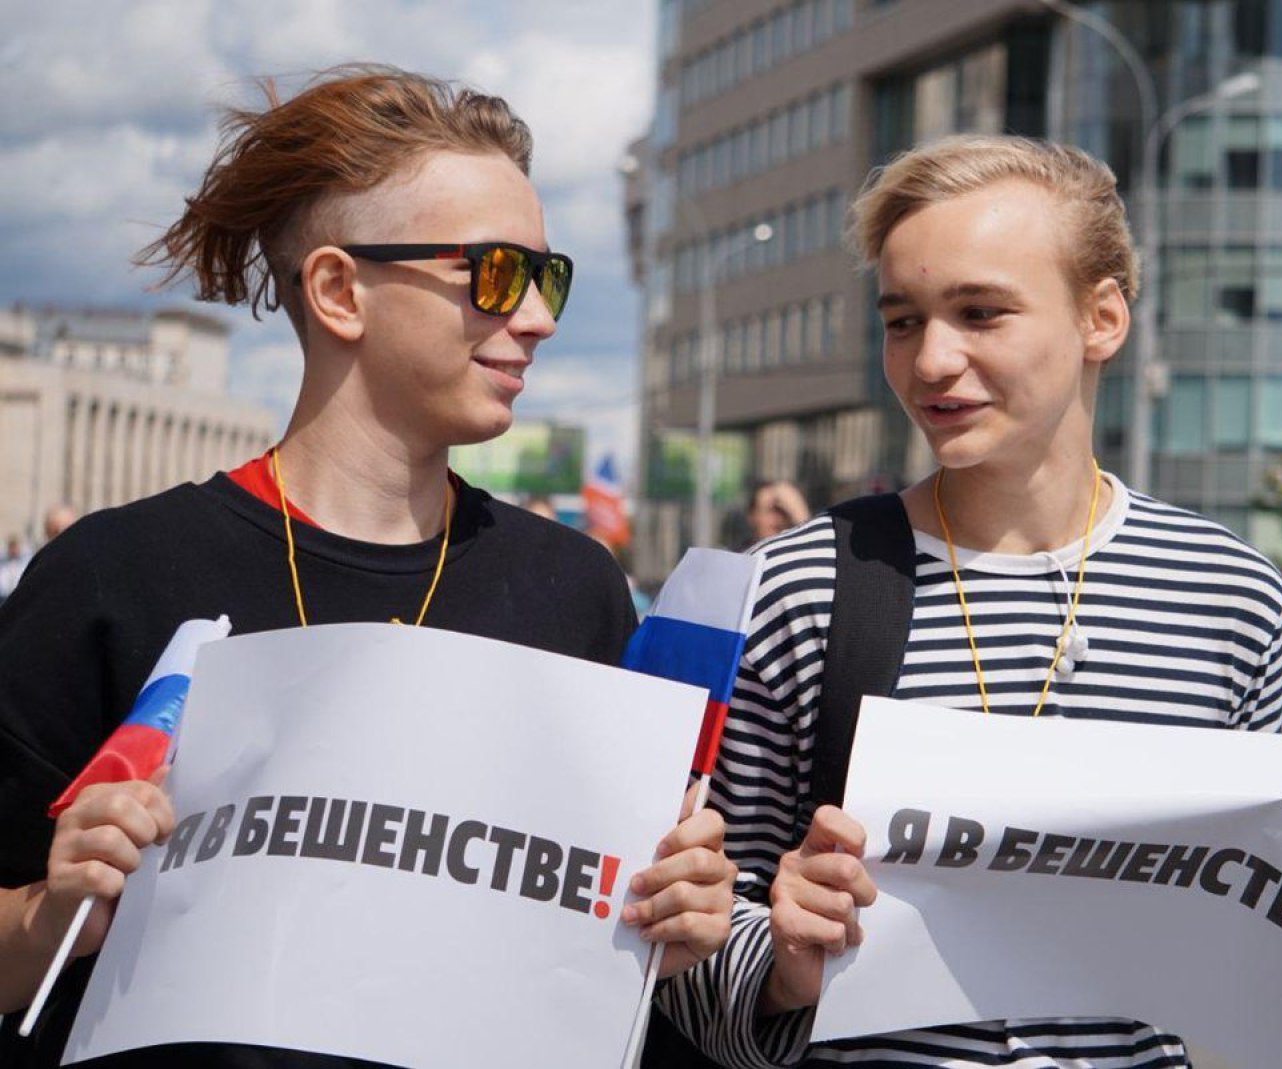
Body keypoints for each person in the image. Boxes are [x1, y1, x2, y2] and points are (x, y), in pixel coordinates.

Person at [656, 135, 1282, 1066]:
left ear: (1103, 318)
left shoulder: (1232, 597)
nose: (931, 359)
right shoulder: (799, 585)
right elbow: (683, 957)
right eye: (903, 321)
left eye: (980, 312)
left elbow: (1248, 952)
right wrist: (783, 966)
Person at [0, 66, 736, 1066]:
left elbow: (597, 957)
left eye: (548, 276)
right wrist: (57, 915)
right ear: (340, 290)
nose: (537, 317)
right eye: (496, 273)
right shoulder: (112, 574)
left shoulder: (575, 588)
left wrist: (671, 924)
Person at [745, 479, 811, 545]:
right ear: (752, 516)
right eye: (771, 511)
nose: (777, 520)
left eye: (783, 513)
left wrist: (801, 517)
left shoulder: (794, 546)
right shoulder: (743, 550)